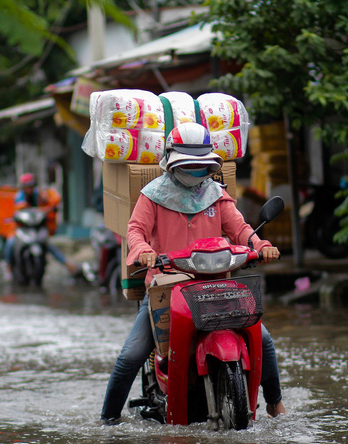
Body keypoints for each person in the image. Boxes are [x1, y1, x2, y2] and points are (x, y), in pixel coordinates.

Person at [100, 122, 287, 424]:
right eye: (189, 165)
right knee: (131, 356)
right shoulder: (153, 195)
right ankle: (107, 421)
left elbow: (239, 229)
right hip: (167, 287)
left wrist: (260, 244)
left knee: (263, 339)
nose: (196, 171)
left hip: (215, 287)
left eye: (202, 165)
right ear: (172, 162)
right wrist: (143, 250)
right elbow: (135, 230)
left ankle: (275, 403)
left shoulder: (216, 194)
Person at [2, 173, 79, 280]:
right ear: (23, 187)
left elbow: (48, 203)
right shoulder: (19, 196)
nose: (30, 188)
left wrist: (50, 207)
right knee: (10, 244)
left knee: (47, 245)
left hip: (36, 229)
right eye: (27, 186)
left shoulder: (38, 195)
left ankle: (67, 264)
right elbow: (20, 208)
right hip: (21, 229)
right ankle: (9, 267)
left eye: (31, 186)